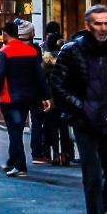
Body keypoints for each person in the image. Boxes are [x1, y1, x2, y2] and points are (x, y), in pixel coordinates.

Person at [50, 4, 107, 214]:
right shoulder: (72, 51)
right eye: (97, 23)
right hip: (85, 121)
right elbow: (57, 84)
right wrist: (80, 107)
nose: (102, 28)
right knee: (92, 179)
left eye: (106, 23)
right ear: (88, 25)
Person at [0, 20, 50, 177]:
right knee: (16, 130)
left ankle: (20, 166)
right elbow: (39, 76)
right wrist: (46, 96)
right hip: (28, 96)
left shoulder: (5, 52)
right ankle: (13, 161)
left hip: (10, 98)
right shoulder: (30, 52)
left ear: (5, 34)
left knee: (15, 132)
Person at [42, 28, 73, 166]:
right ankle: (66, 154)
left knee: (52, 127)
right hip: (64, 97)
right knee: (64, 126)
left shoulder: (45, 61)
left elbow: (42, 80)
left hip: (50, 98)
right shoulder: (66, 59)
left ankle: (55, 154)